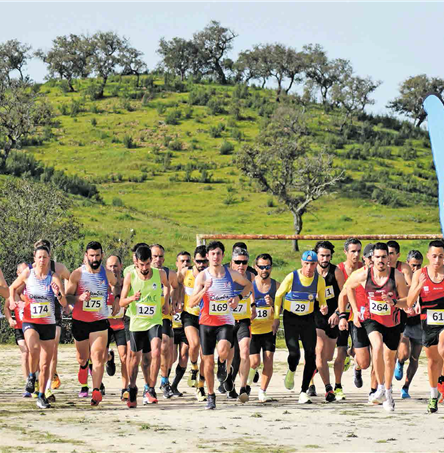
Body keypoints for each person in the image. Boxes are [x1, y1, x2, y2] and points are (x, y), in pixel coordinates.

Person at [188, 241, 252, 410]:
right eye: (212, 254)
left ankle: (223, 364)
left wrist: (238, 297)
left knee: (223, 350)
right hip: (206, 323)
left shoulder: (230, 273)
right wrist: (204, 290)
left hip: (225, 322)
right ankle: (210, 395)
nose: (216, 257)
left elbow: (248, 285)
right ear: (208, 256)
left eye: (218, 253)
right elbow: (192, 302)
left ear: (223, 256)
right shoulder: (202, 277)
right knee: (207, 363)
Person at [346, 242, 408, 412]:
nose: (380, 260)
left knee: (389, 360)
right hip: (372, 320)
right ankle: (379, 387)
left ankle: (387, 393)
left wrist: (394, 302)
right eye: (377, 257)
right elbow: (348, 287)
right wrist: (356, 310)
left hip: (393, 322)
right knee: (377, 345)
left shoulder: (398, 277)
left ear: (389, 258)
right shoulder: (364, 275)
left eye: (384, 257)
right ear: (371, 259)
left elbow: (406, 301)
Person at [9, 244, 67, 409]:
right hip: (30, 320)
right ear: (34, 258)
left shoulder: (54, 277)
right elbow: (13, 287)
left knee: (45, 363)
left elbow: (63, 302)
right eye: (39, 257)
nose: (42, 260)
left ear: (49, 259)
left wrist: (58, 294)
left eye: (45, 257)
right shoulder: (28, 273)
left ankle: (41, 395)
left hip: (48, 323)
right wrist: (13, 301)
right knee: (33, 348)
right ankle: (31, 377)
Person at [66, 241, 119, 406]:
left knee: (98, 357)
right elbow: (67, 296)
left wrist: (116, 298)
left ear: (102, 255)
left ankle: (96, 391)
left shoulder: (107, 274)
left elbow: (116, 285)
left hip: (99, 321)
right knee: (83, 358)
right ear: (86, 256)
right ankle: (83, 367)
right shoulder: (77, 274)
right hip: (80, 321)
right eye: (91, 256)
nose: (95, 259)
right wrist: (78, 298)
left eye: (97, 255)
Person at [273, 250, 328, 404]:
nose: (309, 267)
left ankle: (303, 391)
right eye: (306, 264)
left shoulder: (319, 281)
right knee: (294, 354)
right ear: (302, 263)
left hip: (308, 319)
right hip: (291, 319)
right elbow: (278, 295)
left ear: (316, 264)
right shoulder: (292, 277)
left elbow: (322, 301)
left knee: (311, 355)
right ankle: (291, 371)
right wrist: (277, 317)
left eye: (312, 264)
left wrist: (324, 308)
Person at [120, 245, 170, 408]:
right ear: (136, 263)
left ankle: (150, 389)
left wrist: (167, 302)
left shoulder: (159, 274)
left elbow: (167, 285)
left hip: (154, 321)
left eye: (147, 264)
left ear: (151, 261)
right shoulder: (130, 276)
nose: (144, 268)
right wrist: (132, 298)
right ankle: (132, 387)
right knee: (135, 360)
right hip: (136, 322)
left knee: (155, 351)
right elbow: (121, 302)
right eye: (141, 265)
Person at [407, 240, 444, 413]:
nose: (437, 260)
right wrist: (420, 286)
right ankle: (433, 395)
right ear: (428, 256)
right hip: (428, 322)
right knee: (433, 361)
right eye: (434, 256)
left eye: (441, 256)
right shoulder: (420, 274)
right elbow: (409, 301)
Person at [32, 239, 71, 397]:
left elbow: (70, 277)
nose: (42, 257)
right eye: (39, 252)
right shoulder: (31, 270)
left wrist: (66, 298)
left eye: (45, 252)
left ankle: (46, 387)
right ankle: (35, 380)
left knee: (52, 350)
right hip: (36, 314)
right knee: (34, 350)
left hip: (54, 312)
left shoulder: (58, 268)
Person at [338, 244, 375, 398]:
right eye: (371, 258)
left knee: (380, 354)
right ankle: (356, 363)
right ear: (365, 259)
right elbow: (343, 296)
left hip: (381, 321)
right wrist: (342, 317)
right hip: (359, 320)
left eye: (379, 257)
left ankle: (376, 390)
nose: (375, 261)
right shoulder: (358, 275)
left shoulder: (388, 275)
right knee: (365, 362)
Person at [313, 241, 345, 402]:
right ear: (316, 255)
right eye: (322, 255)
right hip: (315, 316)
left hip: (332, 317)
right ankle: (327, 388)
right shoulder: (310, 272)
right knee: (318, 350)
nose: (325, 259)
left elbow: (344, 295)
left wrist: (337, 313)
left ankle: (315, 370)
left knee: (327, 357)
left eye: (327, 256)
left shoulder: (336, 272)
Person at [224, 246, 255, 403]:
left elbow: (253, 291)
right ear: (232, 262)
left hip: (243, 320)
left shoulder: (251, 276)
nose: (241, 266)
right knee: (228, 356)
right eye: (238, 262)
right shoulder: (225, 275)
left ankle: (243, 388)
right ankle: (228, 376)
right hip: (227, 320)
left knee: (245, 351)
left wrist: (254, 306)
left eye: (244, 262)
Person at [177, 245, 209, 402]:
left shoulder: (211, 275)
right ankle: (194, 367)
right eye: (198, 261)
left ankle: (200, 387)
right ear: (194, 261)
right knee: (194, 344)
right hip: (189, 314)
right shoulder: (186, 272)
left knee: (206, 355)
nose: (201, 264)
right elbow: (176, 285)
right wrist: (176, 300)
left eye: (204, 261)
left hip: (207, 317)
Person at [249, 253, 280, 402]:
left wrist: (272, 304)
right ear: (256, 267)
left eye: (267, 267)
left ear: (271, 267)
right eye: (261, 267)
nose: (264, 270)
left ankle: (262, 391)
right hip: (252, 330)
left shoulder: (276, 286)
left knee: (268, 360)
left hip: (268, 330)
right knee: (254, 362)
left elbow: (281, 310)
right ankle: (248, 380)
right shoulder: (250, 285)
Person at [395, 250, 424, 399]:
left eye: (418, 265)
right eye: (413, 265)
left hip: (419, 323)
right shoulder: (402, 279)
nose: (415, 269)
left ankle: (405, 387)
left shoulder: (424, 279)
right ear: (407, 264)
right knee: (405, 354)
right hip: (405, 323)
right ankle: (399, 361)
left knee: (415, 358)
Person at [150, 244, 178, 399]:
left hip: (164, 315)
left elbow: (176, 287)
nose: (158, 259)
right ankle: (148, 384)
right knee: (149, 353)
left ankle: (165, 381)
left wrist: (172, 301)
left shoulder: (169, 273)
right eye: (155, 256)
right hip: (146, 317)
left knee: (165, 346)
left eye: (160, 256)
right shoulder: (143, 273)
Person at [4, 263, 31, 397]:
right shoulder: (12, 290)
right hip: (19, 327)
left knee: (34, 354)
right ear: (17, 274)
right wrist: (10, 319)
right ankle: (28, 384)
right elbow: (6, 308)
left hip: (33, 326)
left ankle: (35, 379)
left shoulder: (32, 287)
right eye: (22, 272)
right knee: (25, 353)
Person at [105, 255, 129, 401]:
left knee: (125, 357)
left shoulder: (126, 282)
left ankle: (124, 389)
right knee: (100, 356)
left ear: (120, 266)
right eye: (109, 266)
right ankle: (109, 358)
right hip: (106, 324)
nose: (113, 269)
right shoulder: (102, 283)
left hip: (121, 324)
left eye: (115, 266)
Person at [170, 251, 192, 397]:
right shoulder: (171, 282)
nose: (185, 264)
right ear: (177, 263)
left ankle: (174, 385)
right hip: (171, 326)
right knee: (171, 357)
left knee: (184, 356)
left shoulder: (192, 283)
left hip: (185, 325)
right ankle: (164, 382)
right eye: (182, 261)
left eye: (187, 261)